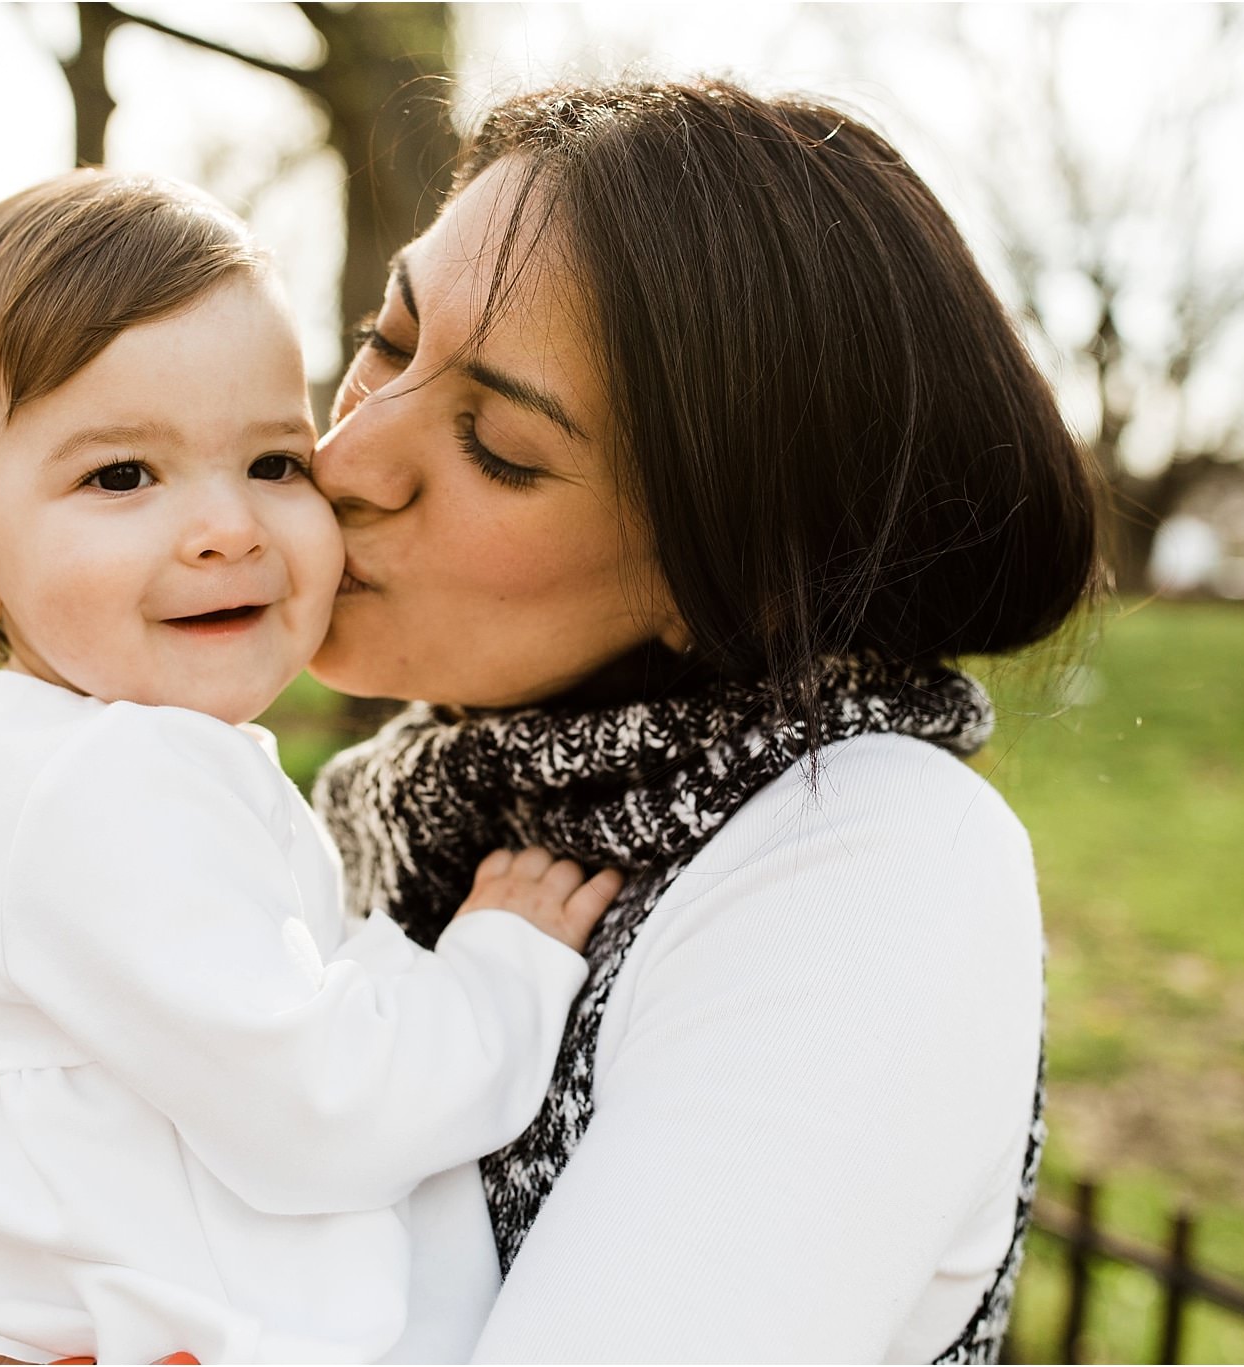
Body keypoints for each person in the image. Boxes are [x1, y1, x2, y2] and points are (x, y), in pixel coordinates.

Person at [0, 170, 627, 1365]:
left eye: (276, 462)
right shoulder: (103, 788)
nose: (226, 524)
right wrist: (498, 971)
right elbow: (319, 1105)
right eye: (121, 476)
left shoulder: (57, 761)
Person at [302, 78, 1101, 1362]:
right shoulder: (407, 803)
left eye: (498, 445)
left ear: (726, 578)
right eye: (386, 341)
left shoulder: (866, 858)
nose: (343, 457)